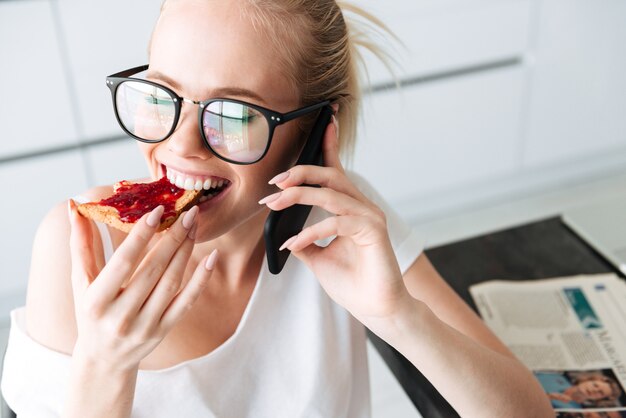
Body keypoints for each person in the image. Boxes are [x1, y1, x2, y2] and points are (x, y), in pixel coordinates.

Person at [1, 0, 553, 417]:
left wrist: (398, 317)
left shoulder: (339, 224)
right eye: (161, 95)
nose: (181, 146)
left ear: (312, 134)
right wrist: (105, 365)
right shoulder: (80, 246)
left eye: (234, 114)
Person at [536, 371, 623, 409]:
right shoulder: (557, 377)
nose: (594, 390)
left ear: (599, 400)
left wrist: (548, 397)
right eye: (595, 385)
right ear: (588, 380)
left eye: (600, 393)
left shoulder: (573, 410)